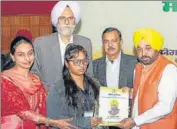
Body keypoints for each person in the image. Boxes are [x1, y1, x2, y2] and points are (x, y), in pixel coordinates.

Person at [1, 36, 76, 129]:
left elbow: (44, 106)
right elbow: (23, 111)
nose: (27, 58)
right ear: (13, 57)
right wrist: (52, 122)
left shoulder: (35, 79)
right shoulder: (5, 79)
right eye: (21, 55)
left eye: (30, 53)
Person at [118, 28, 177, 129]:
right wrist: (131, 93)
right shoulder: (138, 67)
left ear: (157, 48)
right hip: (138, 126)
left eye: (148, 48)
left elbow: (165, 107)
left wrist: (135, 121)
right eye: (139, 49)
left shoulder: (169, 69)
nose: (143, 53)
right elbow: (146, 93)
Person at [31, 1, 93, 90]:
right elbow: (34, 74)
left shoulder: (85, 43)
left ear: (75, 21)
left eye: (71, 18)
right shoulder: (41, 44)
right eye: (62, 18)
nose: (67, 22)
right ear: (56, 21)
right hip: (49, 97)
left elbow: (89, 75)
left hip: (78, 99)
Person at [47, 44, 104, 129]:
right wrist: (86, 122)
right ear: (67, 63)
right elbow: (54, 121)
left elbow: (105, 110)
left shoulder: (95, 83)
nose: (82, 65)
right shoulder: (58, 89)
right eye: (77, 62)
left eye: (84, 61)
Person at [93, 27, 138, 129]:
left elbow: (143, 90)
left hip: (129, 121)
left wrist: (132, 92)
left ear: (121, 42)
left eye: (114, 41)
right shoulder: (94, 65)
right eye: (106, 41)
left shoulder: (135, 63)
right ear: (102, 44)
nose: (110, 45)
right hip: (104, 122)